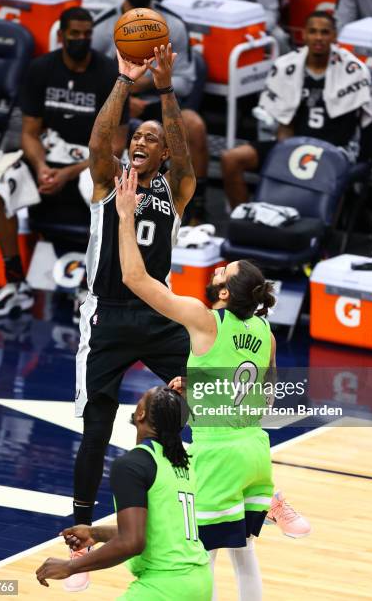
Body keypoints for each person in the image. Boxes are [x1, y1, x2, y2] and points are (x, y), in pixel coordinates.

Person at [115, 167, 310, 600]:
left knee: (199, 556)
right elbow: (264, 400)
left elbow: (135, 279)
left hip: (217, 453)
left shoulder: (207, 322)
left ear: (224, 294)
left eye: (225, 271)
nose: (219, 268)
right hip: (256, 451)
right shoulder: (266, 334)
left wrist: (126, 217)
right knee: (243, 554)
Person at [68, 43, 195, 591]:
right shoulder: (106, 181)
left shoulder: (175, 187)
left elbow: (185, 152)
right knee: (97, 427)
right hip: (108, 316)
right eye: (136, 137)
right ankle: (77, 530)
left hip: (158, 310)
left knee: (213, 391)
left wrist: (165, 90)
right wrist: (125, 81)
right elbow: (100, 140)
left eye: (152, 139)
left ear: (163, 154)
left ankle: (225, 493)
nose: (141, 142)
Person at [0, 7, 128, 317]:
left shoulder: (107, 74)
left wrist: (69, 173)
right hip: (51, 154)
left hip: (93, 159)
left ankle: (91, 287)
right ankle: (15, 283)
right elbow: (30, 133)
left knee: (101, 189)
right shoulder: (40, 69)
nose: (81, 40)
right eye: (75, 35)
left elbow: (117, 143)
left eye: (87, 35)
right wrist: (42, 168)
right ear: (61, 36)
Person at [36, 386, 213, 600]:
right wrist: (95, 534)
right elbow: (158, 534)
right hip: (200, 582)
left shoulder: (132, 465)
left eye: (143, 397)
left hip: (164, 587)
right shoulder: (182, 464)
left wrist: (71, 566)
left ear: (141, 414)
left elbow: (132, 543)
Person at [221, 11, 372, 209]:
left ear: (334, 36)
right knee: (231, 159)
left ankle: (321, 233)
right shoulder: (287, 67)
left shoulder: (353, 71)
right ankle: (242, 219)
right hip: (292, 146)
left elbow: (361, 126)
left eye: (325, 32)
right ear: (304, 35)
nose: (318, 37)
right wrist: (287, 156)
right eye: (313, 31)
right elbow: (284, 126)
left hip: (333, 151)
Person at [92, 0, 209, 223]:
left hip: (157, 102)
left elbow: (186, 81)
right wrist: (125, 93)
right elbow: (92, 79)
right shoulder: (103, 25)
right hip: (115, 102)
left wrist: (146, 83)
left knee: (195, 126)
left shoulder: (173, 23)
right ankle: (108, 207)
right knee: (106, 143)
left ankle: (194, 211)